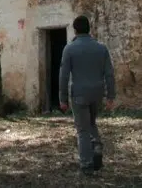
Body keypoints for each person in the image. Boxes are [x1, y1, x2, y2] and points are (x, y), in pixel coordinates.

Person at [58, 15, 116, 175]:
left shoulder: (69, 49)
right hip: (97, 93)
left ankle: (86, 164)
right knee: (91, 123)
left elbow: (63, 75)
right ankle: (96, 145)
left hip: (79, 95)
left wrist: (62, 99)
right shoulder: (101, 48)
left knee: (82, 130)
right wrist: (110, 96)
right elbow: (109, 74)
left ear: (75, 30)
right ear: (89, 29)